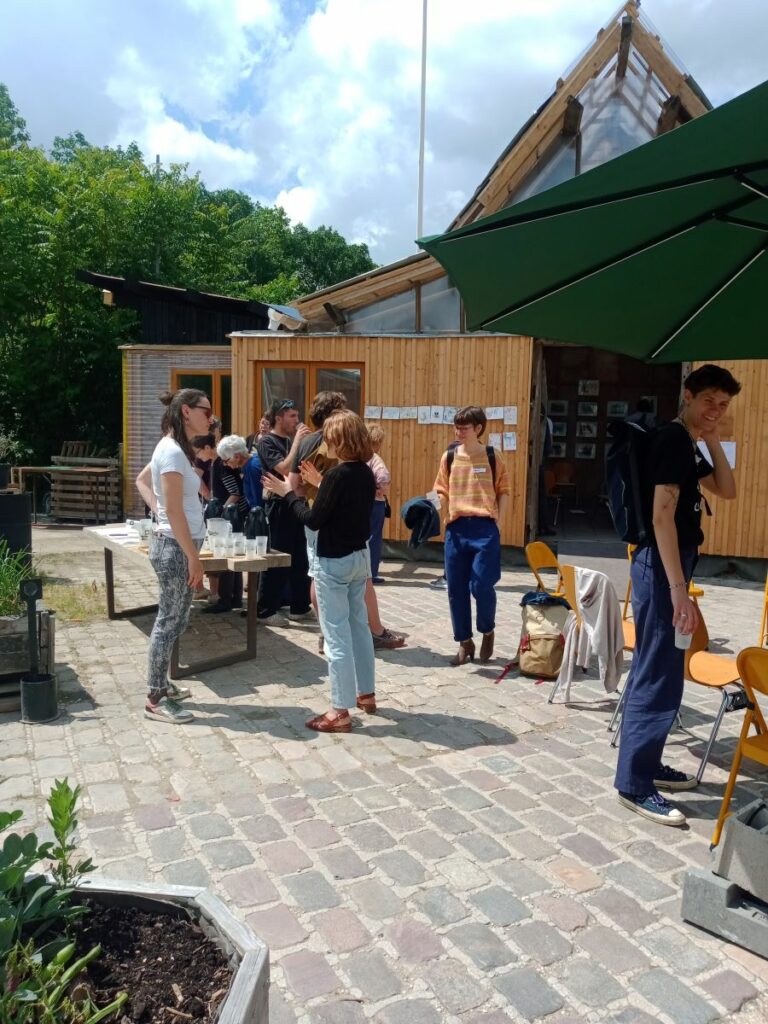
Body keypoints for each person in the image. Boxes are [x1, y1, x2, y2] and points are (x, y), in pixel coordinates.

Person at [614, 364, 740, 827]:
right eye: (709, 401)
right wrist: (678, 591)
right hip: (662, 567)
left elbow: (726, 490)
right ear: (688, 395)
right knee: (658, 673)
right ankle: (634, 784)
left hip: (669, 564)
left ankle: (647, 764)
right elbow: (661, 518)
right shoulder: (671, 440)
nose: (716, 410)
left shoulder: (686, 441)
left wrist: (710, 437)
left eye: (723, 405)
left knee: (663, 668)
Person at [264, 410, 376, 732]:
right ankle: (366, 693)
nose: (325, 443)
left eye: (329, 438)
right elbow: (341, 502)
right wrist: (319, 484)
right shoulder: (364, 472)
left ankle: (339, 710)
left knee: (336, 635)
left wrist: (288, 493)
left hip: (334, 562)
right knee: (359, 628)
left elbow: (312, 519)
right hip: (358, 558)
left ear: (340, 440)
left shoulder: (338, 475)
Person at [141, 388, 213, 723]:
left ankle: (162, 684)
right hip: (174, 548)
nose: (210, 419)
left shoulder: (178, 450)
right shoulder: (170, 451)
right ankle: (155, 697)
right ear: (186, 411)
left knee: (178, 620)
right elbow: (172, 510)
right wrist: (193, 557)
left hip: (180, 546)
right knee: (168, 621)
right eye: (206, 412)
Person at [434, 406, 510, 666]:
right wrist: (432, 506)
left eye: (464, 428)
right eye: (456, 427)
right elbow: (441, 490)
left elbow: (504, 489)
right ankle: (465, 642)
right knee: (456, 589)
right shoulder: (449, 457)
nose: (459, 432)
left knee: (481, 585)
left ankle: (487, 630)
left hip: (485, 529)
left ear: (478, 428)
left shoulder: (492, 456)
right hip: (456, 529)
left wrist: (499, 522)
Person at [256, 400, 312, 624]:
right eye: (292, 416)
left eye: (297, 415)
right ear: (278, 418)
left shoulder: (289, 441)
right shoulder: (266, 442)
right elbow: (285, 469)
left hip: (295, 502)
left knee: (300, 559)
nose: (297, 420)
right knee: (277, 558)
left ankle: (299, 607)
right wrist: (298, 440)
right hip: (278, 505)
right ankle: (265, 610)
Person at [367, 425, 391, 584]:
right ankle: (372, 573)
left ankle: (362, 571)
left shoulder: (360, 457)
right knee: (374, 537)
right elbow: (383, 477)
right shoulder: (375, 459)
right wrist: (380, 489)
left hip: (361, 502)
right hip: (375, 503)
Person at [217, 435, 263, 508]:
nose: (224, 464)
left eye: (225, 461)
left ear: (237, 456)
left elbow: (258, 502)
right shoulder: (251, 461)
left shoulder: (252, 468)